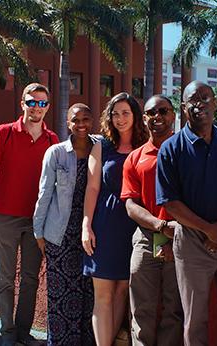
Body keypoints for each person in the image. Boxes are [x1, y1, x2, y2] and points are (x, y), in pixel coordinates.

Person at [157, 81, 217, 346]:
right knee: (194, 321)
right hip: (191, 244)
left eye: (206, 98)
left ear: (216, 104)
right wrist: (208, 229)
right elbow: (170, 202)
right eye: (193, 100)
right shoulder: (171, 149)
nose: (200, 104)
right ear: (183, 107)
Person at [0, 83, 59, 346]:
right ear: (22, 104)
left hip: (37, 221)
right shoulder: (4, 133)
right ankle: (7, 332)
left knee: (30, 278)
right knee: (5, 277)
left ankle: (23, 332)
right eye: (31, 102)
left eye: (41, 103)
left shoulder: (53, 140)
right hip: (5, 216)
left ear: (47, 107)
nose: (36, 107)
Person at [81, 92, 149, 345]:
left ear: (135, 116)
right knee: (103, 295)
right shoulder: (102, 145)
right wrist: (87, 226)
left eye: (125, 113)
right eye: (115, 113)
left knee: (122, 291)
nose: (120, 119)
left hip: (135, 225)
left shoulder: (146, 146)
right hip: (106, 223)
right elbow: (92, 187)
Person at [122, 95, 184, 346]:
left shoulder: (186, 152)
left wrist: (175, 230)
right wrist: (160, 226)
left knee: (175, 309)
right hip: (147, 238)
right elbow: (130, 204)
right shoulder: (135, 158)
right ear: (144, 118)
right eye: (151, 112)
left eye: (163, 111)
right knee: (141, 309)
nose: (157, 116)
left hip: (182, 238)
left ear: (173, 116)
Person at [33, 104, 97, 345]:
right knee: (61, 295)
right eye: (75, 120)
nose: (81, 124)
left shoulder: (101, 148)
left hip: (92, 234)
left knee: (90, 293)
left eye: (86, 119)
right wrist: (39, 232)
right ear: (67, 123)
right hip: (60, 235)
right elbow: (44, 194)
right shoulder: (56, 153)